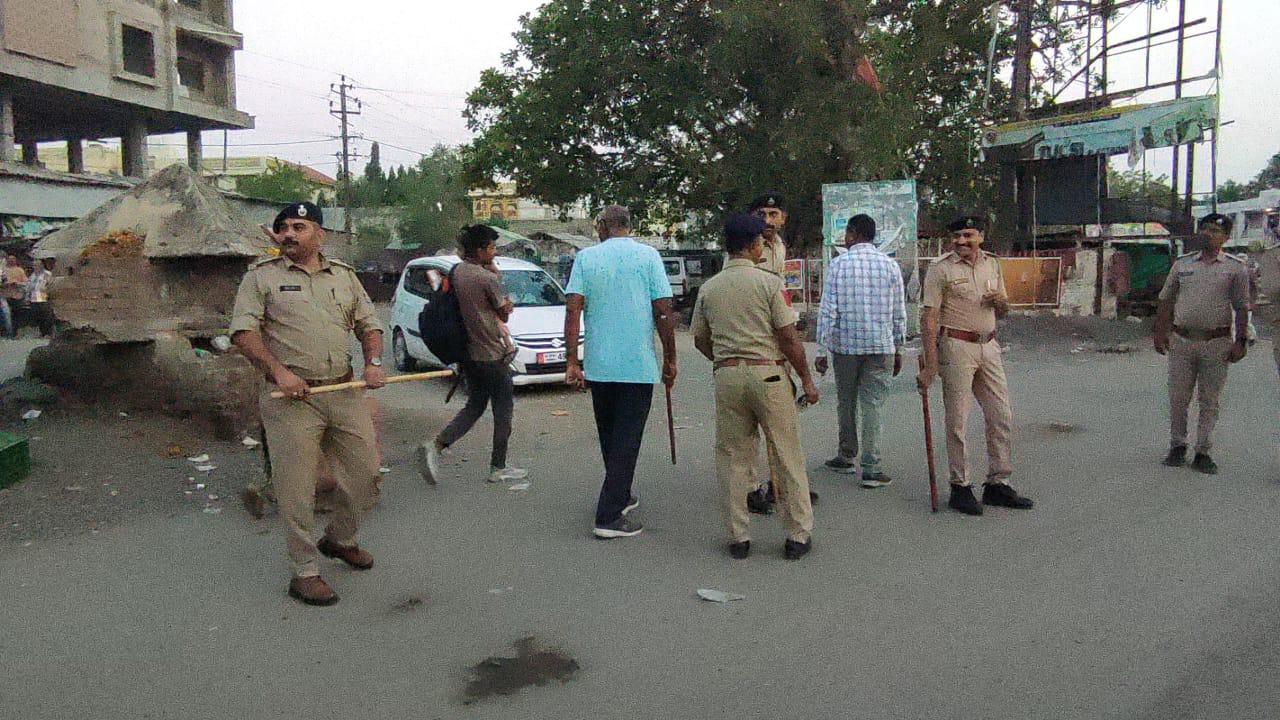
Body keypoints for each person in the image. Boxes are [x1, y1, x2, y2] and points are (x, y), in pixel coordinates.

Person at [230, 201, 386, 607]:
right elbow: (244, 333)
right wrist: (279, 372)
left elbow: (370, 324)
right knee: (296, 489)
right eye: (282, 227)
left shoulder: (345, 277)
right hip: (291, 399)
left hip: (343, 390)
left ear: (320, 233)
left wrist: (373, 363)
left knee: (367, 475)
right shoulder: (261, 278)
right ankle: (305, 572)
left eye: (299, 227)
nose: (288, 234)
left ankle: (340, 538)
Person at [693, 214, 818, 560]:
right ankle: (797, 534)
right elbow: (788, 337)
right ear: (752, 245)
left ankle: (738, 536)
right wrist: (805, 378)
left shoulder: (709, 288)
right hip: (769, 375)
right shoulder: (768, 283)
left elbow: (701, 339)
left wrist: (726, 361)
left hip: (728, 377)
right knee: (785, 455)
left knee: (734, 458)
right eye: (761, 240)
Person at [564, 205, 676, 539]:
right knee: (627, 439)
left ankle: (621, 493)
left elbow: (573, 311)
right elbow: (663, 311)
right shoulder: (649, 257)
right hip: (636, 365)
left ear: (602, 226)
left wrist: (572, 361)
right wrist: (670, 356)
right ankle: (608, 516)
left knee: (611, 436)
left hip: (600, 364)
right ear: (628, 226)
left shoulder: (586, 259)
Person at [917, 215, 1033, 516]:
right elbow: (929, 317)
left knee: (1001, 415)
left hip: (989, 345)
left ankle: (998, 482)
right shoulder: (941, 268)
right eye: (957, 236)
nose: (961, 242)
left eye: (968, 235)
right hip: (956, 346)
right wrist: (930, 364)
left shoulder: (992, 264)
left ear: (980, 236)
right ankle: (961, 485)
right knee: (958, 420)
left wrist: (999, 302)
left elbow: (1005, 310)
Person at [417, 225, 527, 485]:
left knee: (476, 405)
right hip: (491, 354)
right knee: (503, 411)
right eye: (492, 247)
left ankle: (438, 444)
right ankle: (498, 467)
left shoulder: (456, 272)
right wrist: (499, 282)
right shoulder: (485, 278)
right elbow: (504, 312)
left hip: (469, 354)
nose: (495, 251)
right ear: (480, 250)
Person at [1153, 213, 1251, 475]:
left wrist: (1241, 341)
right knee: (1178, 398)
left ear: (1226, 238)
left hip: (1216, 342)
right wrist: (1160, 332)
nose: (1209, 234)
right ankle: (1177, 446)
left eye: (1216, 231)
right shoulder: (1182, 265)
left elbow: (1242, 307)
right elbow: (1166, 299)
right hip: (1182, 340)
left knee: (1209, 400)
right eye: (1205, 229)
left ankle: (1203, 451)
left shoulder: (1235, 268)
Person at [815, 214, 906, 488]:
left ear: (853, 234)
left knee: (846, 400)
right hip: (880, 346)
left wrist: (821, 349)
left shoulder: (838, 266)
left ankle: (846, 455)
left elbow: (827, 311)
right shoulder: (890, 266)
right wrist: (898, 346)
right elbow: (899, 312)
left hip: (845, 347)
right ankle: (871, 467)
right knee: (873, 404)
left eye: (847, 232)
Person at [745, 192, 818, 512]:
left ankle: (780, 483)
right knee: (748, 422)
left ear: (783, 219)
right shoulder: (743, 247)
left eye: (774, 214)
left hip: (777, 339)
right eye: (762, 214)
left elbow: (780, 294)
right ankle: (751, 489)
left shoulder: (779, 247)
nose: (768, 221)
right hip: (751, 340)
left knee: (780, 417)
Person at [26, 258, 55, 337]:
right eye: (34, 265)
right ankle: (41, 333)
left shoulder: (47, 274)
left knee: (46, 316)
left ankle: (48, 333)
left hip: (43, 298)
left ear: (42, 265)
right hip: (34, 299)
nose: (35, 267)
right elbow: (28, 287)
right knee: (37, 316)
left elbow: (50, 285)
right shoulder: (32, 275)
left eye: (37, 265)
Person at [1, 255, 27, 338]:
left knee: (16, 314)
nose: (11, 261)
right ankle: (7, 332)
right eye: (10, 259)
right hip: (4, 295)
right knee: (5, 314)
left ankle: (14, 332)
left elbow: (25, 283)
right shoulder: (3, 270)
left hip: (16, 296)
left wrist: (17, 283)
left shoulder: (20, 270)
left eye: (13, 259)